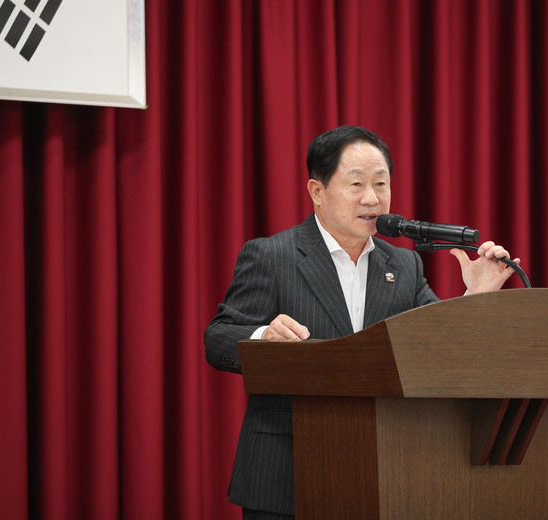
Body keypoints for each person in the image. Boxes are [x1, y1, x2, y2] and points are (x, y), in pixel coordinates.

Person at [204, 125, 520, 520]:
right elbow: (218, 338)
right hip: (289, 473)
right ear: (317, 191)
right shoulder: (272, 256)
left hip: (386, 473)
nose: (372, 198)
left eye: (381, 184)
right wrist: (263, 336)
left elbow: (439, 347)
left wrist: (477, 296)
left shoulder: (404, 264)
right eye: (356, 184)